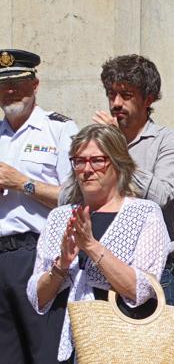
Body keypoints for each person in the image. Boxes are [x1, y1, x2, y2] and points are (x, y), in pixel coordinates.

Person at [27, 124, 169, 363]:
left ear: (118, 163)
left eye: (97, 160)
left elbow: (142, 290)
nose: (86, 169)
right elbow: (37, 298)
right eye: (79, 161)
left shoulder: (144, 214)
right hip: (60, 343)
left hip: (119, 343)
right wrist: (61, 266)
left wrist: (92, 246)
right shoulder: (59, 217)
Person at [61, 54, 174, 306]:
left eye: (126, 95)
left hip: (154, 270)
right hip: (96, 266)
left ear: (148, 100)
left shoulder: (169, 140)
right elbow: (65, 198)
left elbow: (162, 197)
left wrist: (117, 149)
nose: (116, 103)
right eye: (111, 94)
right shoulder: (94, 142)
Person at [0, 48, 79, 363]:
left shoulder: (59, 129)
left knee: (45, 352)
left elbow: (73, 197)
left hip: (38, 255)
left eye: (18, 82)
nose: (10, 90)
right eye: (4, 84)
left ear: (35, 85)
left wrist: (22, 183)